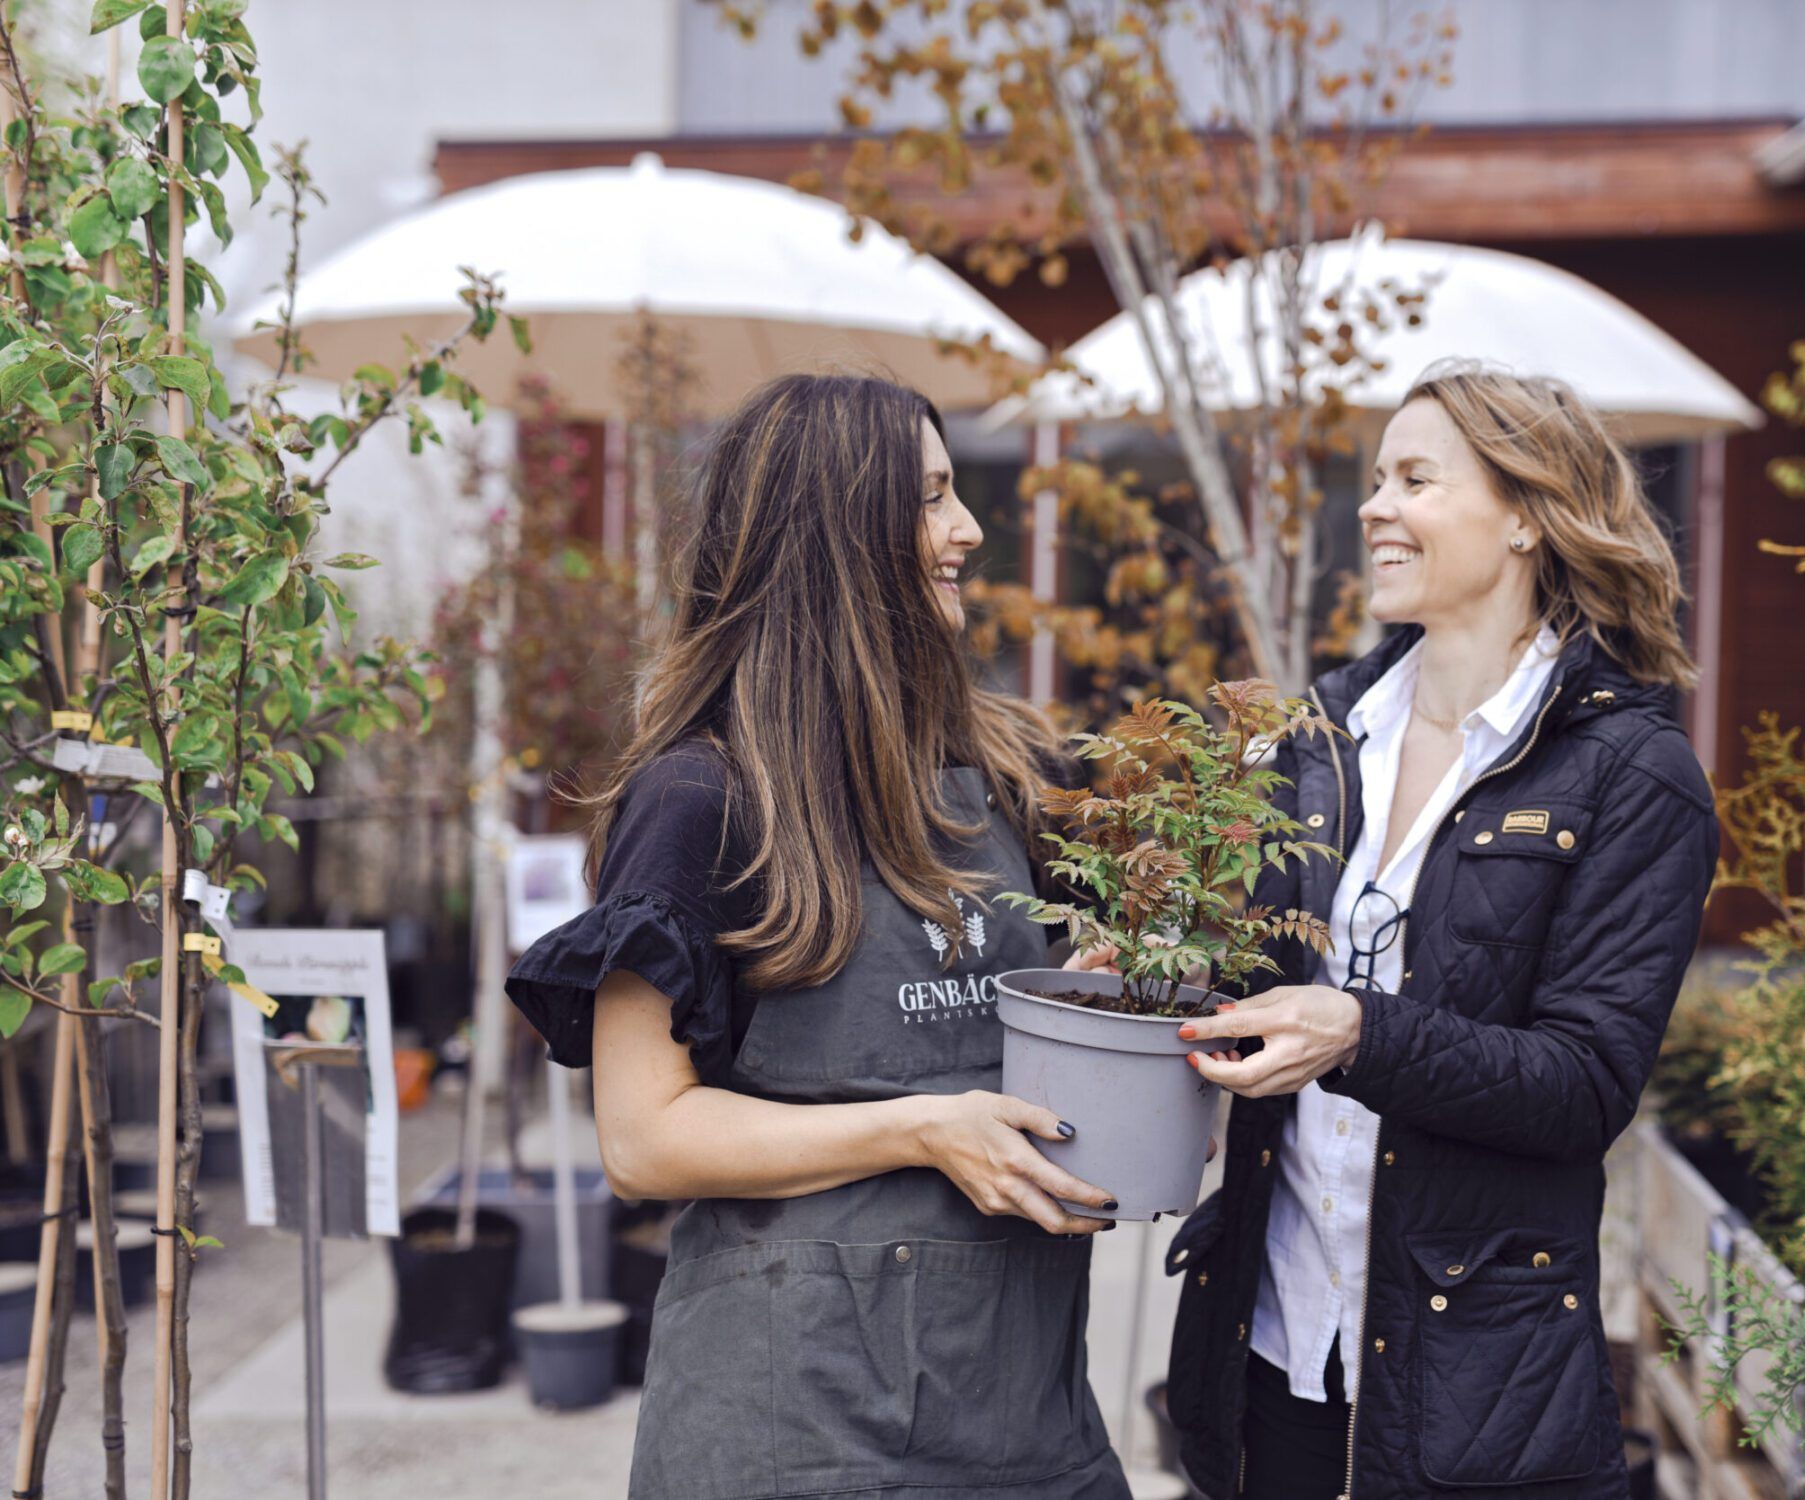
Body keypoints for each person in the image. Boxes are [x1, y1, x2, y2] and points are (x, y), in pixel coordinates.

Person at [506, 373, 1131, 1500]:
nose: (969, 529)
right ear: (841, 535)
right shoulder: (702, 797)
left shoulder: (994, 771)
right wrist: (924, 1129)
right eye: (933, 497)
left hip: (1022, 1407)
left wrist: (1080, 1013)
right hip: (798, 1421)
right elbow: (644, 1140)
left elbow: (983, 1041)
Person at [1163, 363, 1721, 1500]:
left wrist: (1361, 1034)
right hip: (1267, 1351)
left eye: (1416, 479)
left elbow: (1583, 1084)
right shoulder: (1320, 742)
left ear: (1525, 514)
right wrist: (1153, 976)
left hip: (1477, 1402)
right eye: (1376, 479)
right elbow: (1255, 973)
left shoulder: (1632, 777)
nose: (1374, 508)